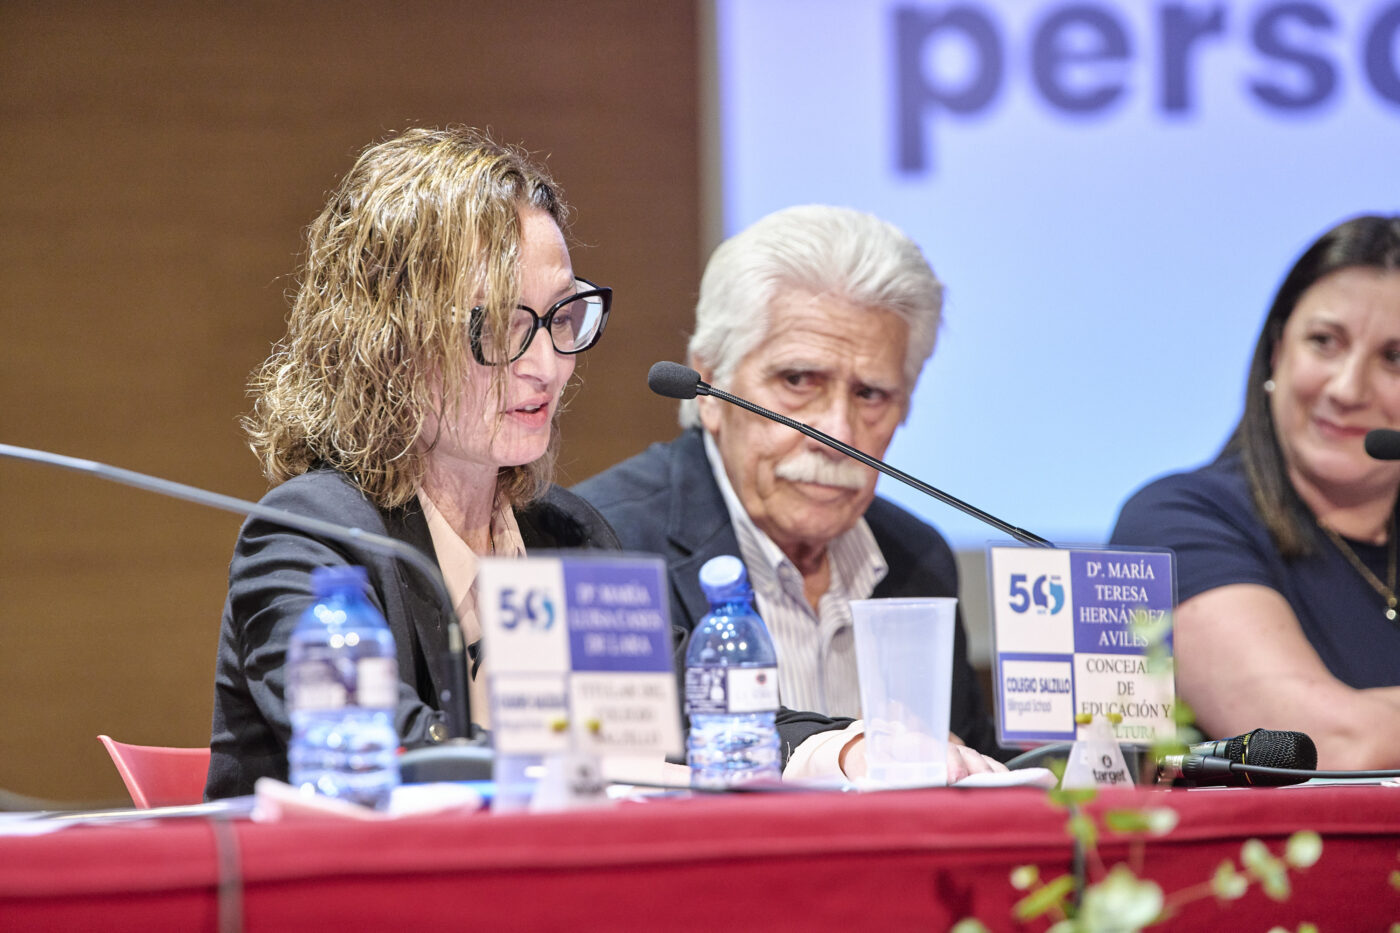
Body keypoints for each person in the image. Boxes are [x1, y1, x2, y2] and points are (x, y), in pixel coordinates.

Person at [206, 127, 620, 798]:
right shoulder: (310, 537)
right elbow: (377, 745)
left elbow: (697, 712)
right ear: (390, 343)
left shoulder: (569, 535)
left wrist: (830, 748)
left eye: (562, 316)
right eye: (497, 328)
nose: (547, 366)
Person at [575, 205, 1002, 771]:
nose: (838, 434)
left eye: (871, 395)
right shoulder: (608, 544)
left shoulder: (917, 559)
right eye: (799, 381)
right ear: (708, 385)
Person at [1111, 214, 1400, 771]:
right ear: (1276, 353)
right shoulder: (1179, 521)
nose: (1347, 389)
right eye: (1324, 343)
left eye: (1395, 358)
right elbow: (1331, 745)